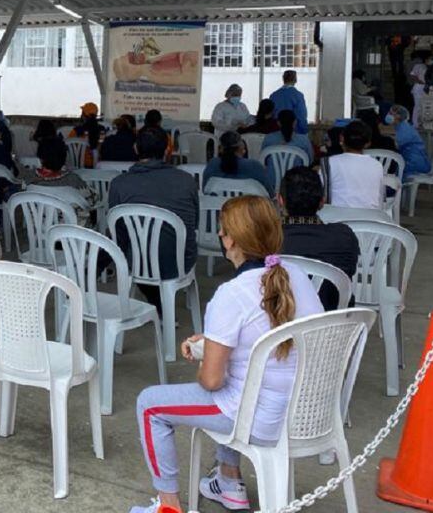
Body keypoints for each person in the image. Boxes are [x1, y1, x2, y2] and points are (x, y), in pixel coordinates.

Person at [128, 196, 324, 513]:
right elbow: (268, 333)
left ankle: (168, 506)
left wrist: (208, 358)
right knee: (238, 381)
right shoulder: (296, 275)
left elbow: (212, 382)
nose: (220, 236)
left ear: (231, 240)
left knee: (149, 405)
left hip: (261, 419)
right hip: (307, 411)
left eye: (222, 231)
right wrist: (215, 341)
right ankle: (228, 482)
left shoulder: (231, 294)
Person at [109, 127, 198, 309]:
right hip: (180, 260)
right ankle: (161, 306)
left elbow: (118, 235)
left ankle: (157, 304)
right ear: (168, 150)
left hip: (137, 262)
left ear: (135, 148)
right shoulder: (186, 180)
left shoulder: (119, 184)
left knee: (134, 249)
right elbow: (193, 223)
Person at [277, 167, 359, 310]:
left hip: (280, 327)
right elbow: (349, 272)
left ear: (280, 200)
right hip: (333, 326)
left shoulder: (265, 241)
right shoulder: (344, 237)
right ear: (322, 202)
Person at [21, 137, 98, 223]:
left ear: (40, 158)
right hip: (71, 231)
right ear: (64, 158)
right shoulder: (73, 180)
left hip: (41, 229)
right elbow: (92, 201)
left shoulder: (28, 178)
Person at [321, 120, 384, 209]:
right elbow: (379, 199)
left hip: (337, 219)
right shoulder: (377, 165)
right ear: (368, 143)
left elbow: (320, 196)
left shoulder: (329, 163)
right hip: (369, 219)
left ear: (341, 138)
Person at [203, 131, 274, 194]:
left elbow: (204, 190)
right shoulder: (254, 166)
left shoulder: (212, 164)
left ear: (221, 148)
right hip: (249, 208)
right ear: (242, 148)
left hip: (218, 207)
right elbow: (269, 193)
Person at [386, 105, 431, 180]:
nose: (388, 115)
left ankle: (393, 191)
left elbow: (397, 145)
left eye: (391, 113)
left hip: (414, 163)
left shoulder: (404, 128)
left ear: (398, 116)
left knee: (394, 174)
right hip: (415, 161)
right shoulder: (402, 127)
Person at [69, 102, 104, 167]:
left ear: (84, 115)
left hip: (78, 165)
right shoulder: (102, 130)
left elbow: (67, 145)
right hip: (97, 165)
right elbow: (101, 146)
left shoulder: (76, 131)